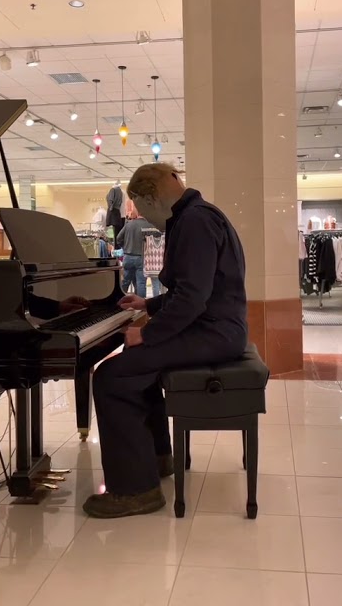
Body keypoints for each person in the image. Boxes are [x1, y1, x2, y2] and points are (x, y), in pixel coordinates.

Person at [82, 163, 248, 519]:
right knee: (134, 362)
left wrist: (147, 332)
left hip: (216, 334)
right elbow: (194, 290)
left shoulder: (194, 222)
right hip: (219, 328)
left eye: (139, 205)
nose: (140, 214)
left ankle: (135, 491)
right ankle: (157, 458)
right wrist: (149, 304)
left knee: (111, 378)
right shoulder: (198, 216)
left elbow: (192, 298)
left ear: (148, 197)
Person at [116, 202, 155, 297]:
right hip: (142, 257)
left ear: (138, 214)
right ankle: (140, 306)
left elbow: (118, 238)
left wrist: (125, 247)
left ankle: (119, 300)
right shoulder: (150, 225)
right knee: (141, 282)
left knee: (125, 281)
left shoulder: (129, 224)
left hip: (128, 256)